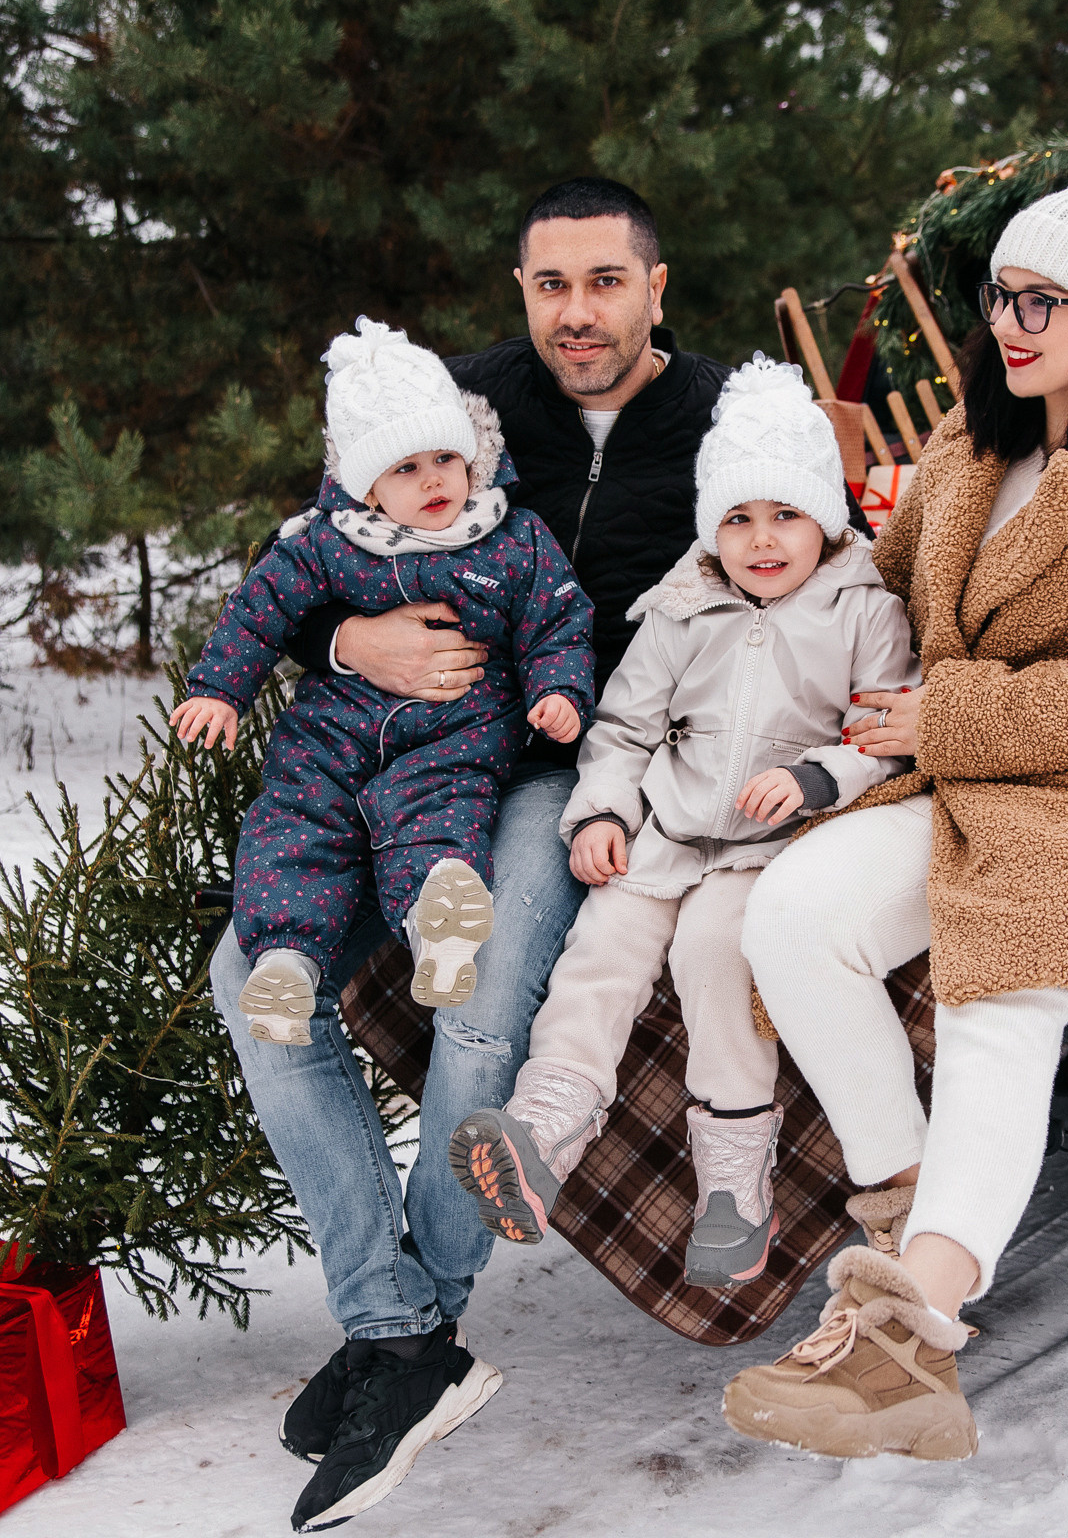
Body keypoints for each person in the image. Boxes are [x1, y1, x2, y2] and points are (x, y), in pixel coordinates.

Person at [205, 178, 868, 1531]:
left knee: (483, 990)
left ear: (656, 290)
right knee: (246, 983)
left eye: (606, 282)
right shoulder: (458, 406)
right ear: (522, 290)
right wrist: (344, 643)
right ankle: (400, 1326)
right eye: (552, 284)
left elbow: (827, 562)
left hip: (580, 769)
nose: (579, 312)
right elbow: (313, 549)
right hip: (399, 748)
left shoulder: (723, 423)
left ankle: (407, 1331)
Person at [720, 144, 1068, 1461]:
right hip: (952, 779)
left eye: (1041, 301)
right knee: (790, 914)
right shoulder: (971, 443)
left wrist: (949, 716)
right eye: (1001, 297)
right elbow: (885, 591)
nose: (1008, 325)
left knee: (999, 999)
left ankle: (911, 1336)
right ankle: (907, 1216)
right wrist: (761, 592)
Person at [445, 358, 920, 1286]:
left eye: (785, 515)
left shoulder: (862, 607)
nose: (762, 539)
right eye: (737, 518)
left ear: (825, 519)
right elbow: (624, 726)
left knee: (715, 958)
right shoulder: (681, 606)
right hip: (668, 829)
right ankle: (545, 1130)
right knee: (602, 948)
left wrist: (819, 777)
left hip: (771, 846)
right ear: (710, 528)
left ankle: (734, 1189)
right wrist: (602, 812)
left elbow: (885, 732)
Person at [174, 319, 594, 1062]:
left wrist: (559, 690)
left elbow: (558, 619)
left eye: (446, 459)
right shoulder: (329, 541)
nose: (434, 480)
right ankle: (286, 960)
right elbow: (259, 606)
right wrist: (219, 689)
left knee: (438, 815)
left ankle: (439, 928)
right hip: (333, 730)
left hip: (456, 732)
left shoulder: (513, 537)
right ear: (367, 486)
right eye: (407, 468)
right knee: (298, 819)